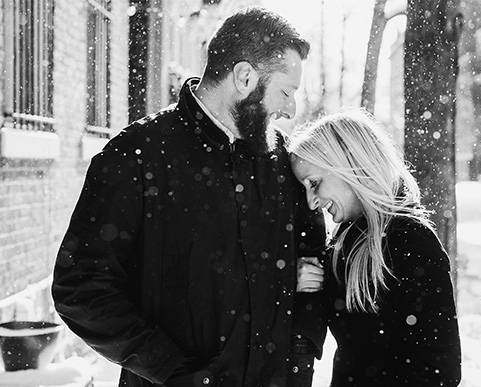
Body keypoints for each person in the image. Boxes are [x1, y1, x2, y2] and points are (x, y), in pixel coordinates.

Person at [52, 8, 325, 387]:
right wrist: (173, 372)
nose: (290, 109)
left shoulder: (279, 160)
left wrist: (300, 356)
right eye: (285, 92)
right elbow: (81, 287)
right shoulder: (136, 156)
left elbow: (312, 259)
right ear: (245, 77)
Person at [287, 110, 462, 386]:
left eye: (315, 184)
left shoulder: (412, 242)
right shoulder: (347, 241)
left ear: (348, 164)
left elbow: (440, 371)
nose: (312, 202)